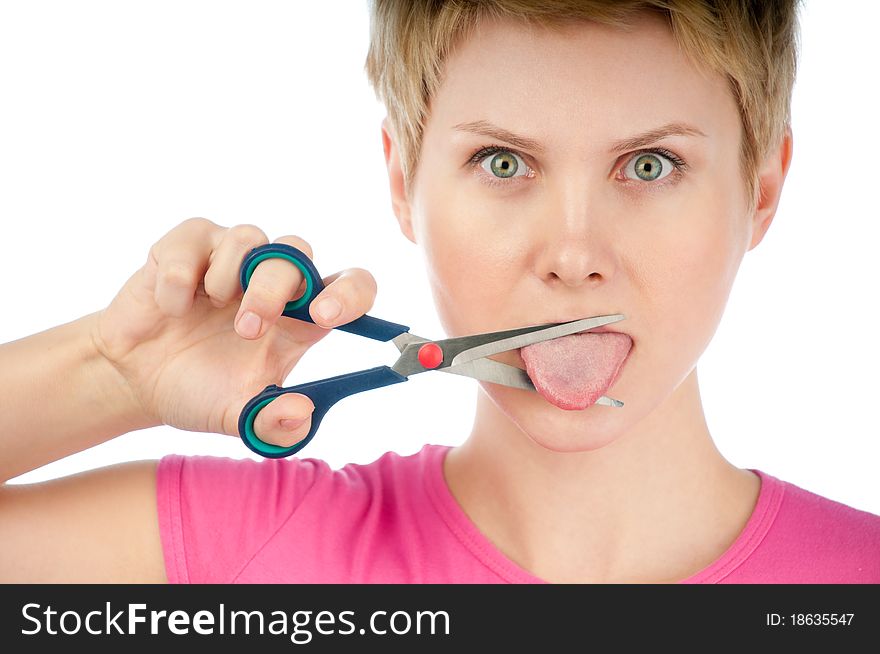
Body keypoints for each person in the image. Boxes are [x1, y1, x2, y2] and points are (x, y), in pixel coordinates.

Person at [1, 0, 878, 584]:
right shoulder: (259, 552)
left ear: (760, 191)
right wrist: (110, 375)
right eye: (503, 162)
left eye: (651, 165)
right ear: (402, 181)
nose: (573, 255)